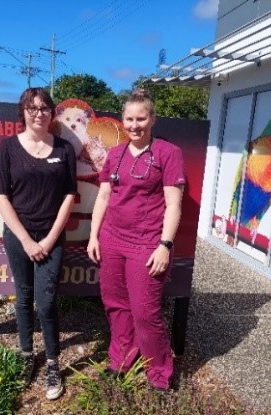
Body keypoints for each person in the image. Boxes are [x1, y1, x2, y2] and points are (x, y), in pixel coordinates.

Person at [87, 88, 185, 391]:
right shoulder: (115, 154)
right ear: (123, 120)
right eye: (129, 119)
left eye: (141, 119)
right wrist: (93, 236)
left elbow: (174, 204)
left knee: (145, 313)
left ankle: (159, 375)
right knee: (116, 305)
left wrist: (165, 246)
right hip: (112, 240)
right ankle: (120, 362)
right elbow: (104, 196)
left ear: (152, 119)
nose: (134, 125)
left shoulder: (168, 153)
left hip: (147, 244)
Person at [0, 87, 77, 400]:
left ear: (52, 113)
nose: (38, 113)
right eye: (32, 108)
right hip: (18, 236)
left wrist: (51, 238)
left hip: (52, 236)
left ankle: (53, 362)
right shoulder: (8, 148)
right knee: (24, 297)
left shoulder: (65, 149)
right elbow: (0, 196)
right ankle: (27, 354)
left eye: (44, 108)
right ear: (23, 112)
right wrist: (27, 240)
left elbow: (70, 195)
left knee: (46, 302)